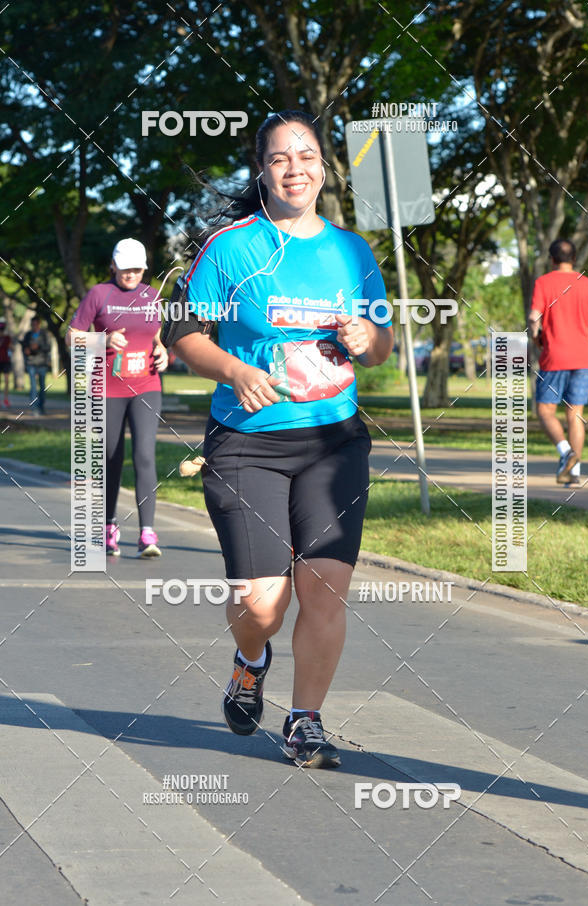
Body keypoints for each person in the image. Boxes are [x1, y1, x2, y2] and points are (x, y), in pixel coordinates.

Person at [167, 110, 394, 769]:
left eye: (307, 155)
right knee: (262, 605)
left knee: (324, 586)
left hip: (335, 444)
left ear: (325, 166)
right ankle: (250, 659)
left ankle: (305, 721)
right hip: (247, 444)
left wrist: (366, 339)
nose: (295, 167)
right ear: (262, 171)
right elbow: (182, 334)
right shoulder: (232, 248)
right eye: (279, 158)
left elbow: (382, 344)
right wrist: (236, 370)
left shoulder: (352, 251)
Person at [67, 238, 168, 557]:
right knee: (111, 457)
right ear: (114, 266)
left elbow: (157, 334)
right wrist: (104, 338)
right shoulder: (99, 294)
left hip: (147, 386)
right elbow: (72, 338)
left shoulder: (152, 296)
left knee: (145, 455)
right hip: (108, 388)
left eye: (137, 269)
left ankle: (147, 534)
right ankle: (109, 525)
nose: (131, 274)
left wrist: (163, 350)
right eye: (125, 268)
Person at [528, 238, 588, 485]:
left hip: (555, 357)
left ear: (552, 259)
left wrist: (536, 336)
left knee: (545, 410)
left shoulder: (543, 282)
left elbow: (533, 317)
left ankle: (565, 452)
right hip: (584, 358)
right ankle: (575, 473)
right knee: (575, 414)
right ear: (575, 258)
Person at [23, 316, 51, 415]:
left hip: (42, 363)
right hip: (31, 363)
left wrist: (38, 347)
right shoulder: (28, 335)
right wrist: (26, 350)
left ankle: (41, 406)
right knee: (33, 386)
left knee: (42, 386)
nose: (34, 326)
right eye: (32, 324)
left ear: (39, 324)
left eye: (36, 324)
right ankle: (35, 408)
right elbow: (24, 346)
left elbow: (48, 347)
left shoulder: (44, 335)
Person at [0, 321, 12, 408]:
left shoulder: (7, 338)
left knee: (7, 381)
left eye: (2, 330)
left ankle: (6, 399)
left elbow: (11, 347)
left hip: (6, 361)